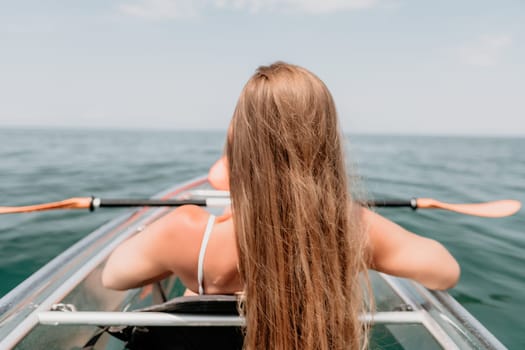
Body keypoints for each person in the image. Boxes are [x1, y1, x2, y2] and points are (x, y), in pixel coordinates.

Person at [102, 62, 460, 349]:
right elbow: (444, 271)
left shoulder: (188, 230)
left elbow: (114, 276)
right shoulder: (355, 227)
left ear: (238, 138)